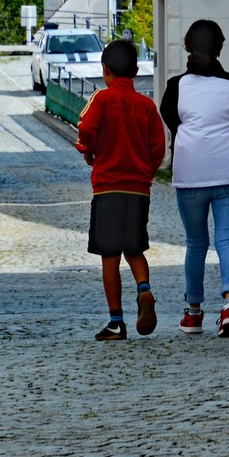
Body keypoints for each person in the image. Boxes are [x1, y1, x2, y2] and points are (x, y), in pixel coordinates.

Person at [160, 19, 229, 338]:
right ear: (219, 49)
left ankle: (193, 314)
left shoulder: (176, 86)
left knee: (196, 243)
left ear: (187, 47)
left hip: (192, 172)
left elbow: (171, 120)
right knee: (226, 240)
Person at [76, 40, 167, 341]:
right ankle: (144, 289)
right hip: (139, 191)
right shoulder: (147, 106)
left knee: (110, 256)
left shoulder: (101, 99)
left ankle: (117, 322)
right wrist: (146, 174)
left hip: (108, 188)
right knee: (135, 249)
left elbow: (85, 128)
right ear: (136, 71)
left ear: (105, 70)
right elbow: (158, 147)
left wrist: (89, 151)